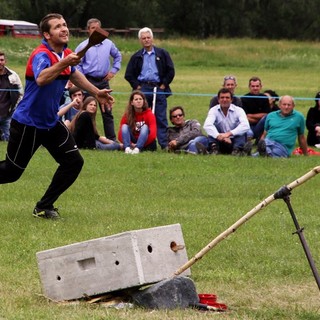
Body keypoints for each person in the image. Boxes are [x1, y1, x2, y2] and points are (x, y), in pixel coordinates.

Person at [0, 13, 114, 219]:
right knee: (11, 173)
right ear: (47, 34)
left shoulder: (66, 54)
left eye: (64, 24)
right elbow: (42, 78)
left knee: (73, 162)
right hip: (28, 123)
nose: (64, 28)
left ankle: (44, 206)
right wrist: (64, 63)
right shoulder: (41, 55)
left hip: (50, 122)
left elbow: (73, 74)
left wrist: (96, 92)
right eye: (57, 27)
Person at [124, 27, 175, 149]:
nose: (146, 40)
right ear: (140, 41)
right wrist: (137, 87)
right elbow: (128, 74)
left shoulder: (162, 53)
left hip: (159, 88)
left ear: (152, 38)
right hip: (143, 88)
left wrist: (164, 85)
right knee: (141, 117)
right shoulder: (136, 56)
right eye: (144, 38)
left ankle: (163, 144)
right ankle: (142, 142)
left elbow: (171, 70)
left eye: (148, 37)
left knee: (160, 117)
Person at [75, 18, 122, 141]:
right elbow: (77, 63)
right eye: (92, 28)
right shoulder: (83, 46)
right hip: (88, 81)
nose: (95, 31)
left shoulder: (109, 44)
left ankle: (111, 139)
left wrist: (113, 71)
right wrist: (82, 77)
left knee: (107, 110)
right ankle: (84, 138)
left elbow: (117, 56)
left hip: (103, 81)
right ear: (88, 30)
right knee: (86, 110)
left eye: (97, 28)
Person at [204, 88, 250, 155]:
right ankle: (214, 149)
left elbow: (246, 125)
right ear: (218, 100)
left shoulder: (239, 110)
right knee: (212, 128)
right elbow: (207, 125)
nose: (224, 100)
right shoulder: (213, 110)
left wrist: (229, 134)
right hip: (220, 139)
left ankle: (237, 150)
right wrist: (218, 136)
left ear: (231, 100)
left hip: (234, 139)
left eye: (227, 98)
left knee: (241, 130)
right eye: (222, 97)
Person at [118, 90, 157, 154]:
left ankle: (137, 149)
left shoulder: (149, 114)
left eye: (140, 99)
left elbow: (153, 134)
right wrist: (131, 144)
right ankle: (127, 149)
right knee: (124, 126)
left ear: (144, 101)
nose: (138, 101)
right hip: (132, 140)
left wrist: (139, 144)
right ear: (132, 102)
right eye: (136, 99)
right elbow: (120, 134)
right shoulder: (127, 115)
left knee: (145, 127)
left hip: (145, 141)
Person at [0, 51, 23, 141]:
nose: (0, 62)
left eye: (1, 60)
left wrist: (15, 108)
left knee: (9, 140)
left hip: (7, 114)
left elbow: (20, 93)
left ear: (5, 61)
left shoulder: (13, 76)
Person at [241, 76, 271, 141]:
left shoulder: (264, 98)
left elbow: (267, 115)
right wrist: (261, 119)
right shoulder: (244, 98)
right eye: (253, 86)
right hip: (248, 126)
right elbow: (245, 117)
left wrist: (251, 116)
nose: (255, 88)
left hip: (262, 126)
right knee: (249, 133)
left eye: (257, 86)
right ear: (249, 87)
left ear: (260, 86)